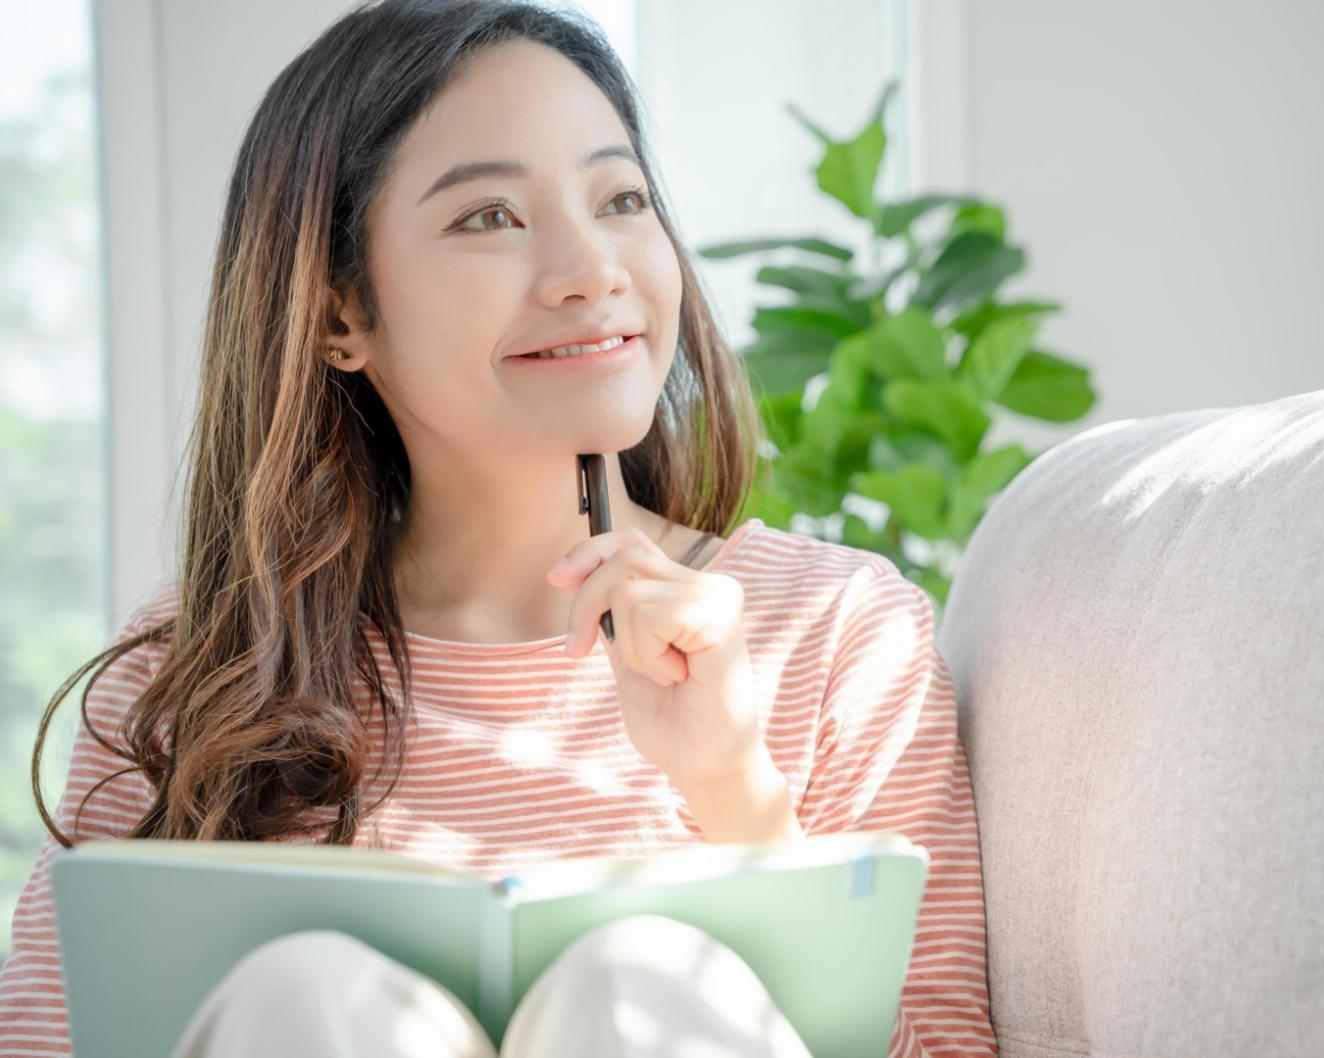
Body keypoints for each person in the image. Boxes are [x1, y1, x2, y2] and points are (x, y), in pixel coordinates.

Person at [0, 1, 996, 1054]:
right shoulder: (195, 679)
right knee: (305, 992)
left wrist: (733, 791)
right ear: (340, 314)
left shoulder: (837, 634)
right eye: (489, 216)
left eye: (621, 199)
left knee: (641, 984)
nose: (592, 269)